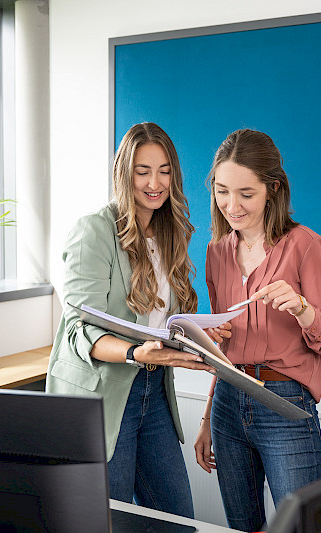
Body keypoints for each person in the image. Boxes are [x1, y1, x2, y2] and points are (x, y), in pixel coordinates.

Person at [46, 122, 212, 518]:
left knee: (178, 518)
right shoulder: (94, 231)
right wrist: (138, 352)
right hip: (101, 397)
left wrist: (201, 333)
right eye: (143, 171)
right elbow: (78, 331)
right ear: (125, 173)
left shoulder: (169, 234)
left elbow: (162, 321)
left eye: (164, 170)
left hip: (152, 390)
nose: (155, 182)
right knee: (111, 520)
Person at [194, 128, 321, 532]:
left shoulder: (306, 246)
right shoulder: (216, 252)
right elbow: (220, 347)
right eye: (222, 191)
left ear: (272, 188)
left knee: (301, 526)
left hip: (284, 402)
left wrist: (301, 308)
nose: (232, 205)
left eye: (246, 193)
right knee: (244, 528)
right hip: (228, 400)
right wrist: (208, 417)